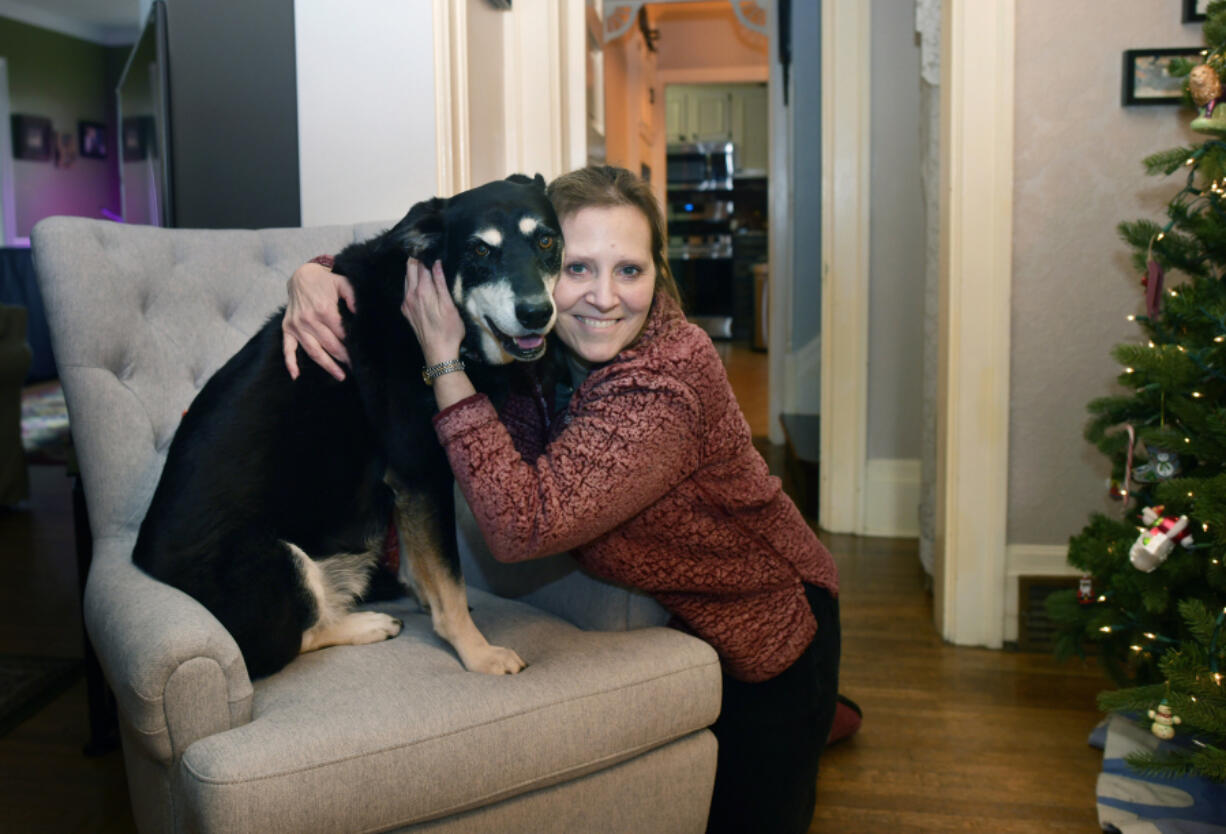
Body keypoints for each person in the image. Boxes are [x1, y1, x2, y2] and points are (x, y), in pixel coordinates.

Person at [282, 165, 840, 834]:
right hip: (680, 627)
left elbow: (523, 525)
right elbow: (428, 245)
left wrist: (443, 362)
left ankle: (824, 709)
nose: (603, 298)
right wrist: (314, 276)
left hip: (770, 627)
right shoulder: (537, 342)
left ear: (658, 274)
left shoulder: (665, 381)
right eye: (578, 268)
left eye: (629, 271)